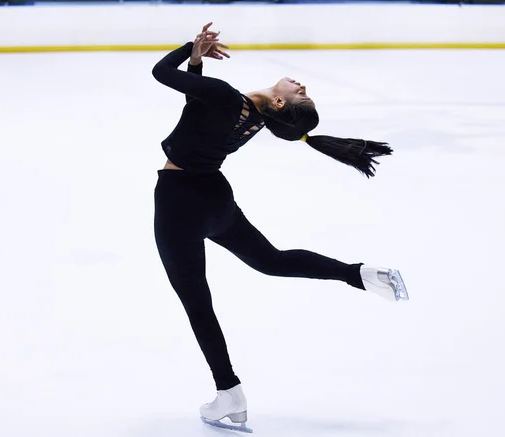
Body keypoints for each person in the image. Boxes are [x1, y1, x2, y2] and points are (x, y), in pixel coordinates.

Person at [151, 23, 409, 429]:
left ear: (278, 102)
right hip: (215, 201)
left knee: (197, 303)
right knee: (270, 260)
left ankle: (228, 393)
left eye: (300, 93)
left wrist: (188, 48)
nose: (301, 85)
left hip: (178, 202)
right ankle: (357, 274)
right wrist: (197, 62)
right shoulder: (251, 119)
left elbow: (160, 74)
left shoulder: (226, 98)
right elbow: (195, 109)